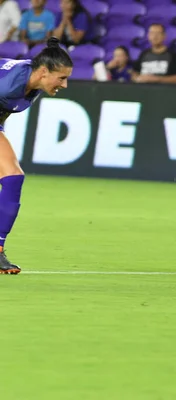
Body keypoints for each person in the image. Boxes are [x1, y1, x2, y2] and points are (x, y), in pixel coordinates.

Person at [0, 37, 72, 274]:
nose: (65, 84)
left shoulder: (33, 81)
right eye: (62, 78)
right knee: (12, 176)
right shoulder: (11, 84)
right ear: (43, 72)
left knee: (12, 178)